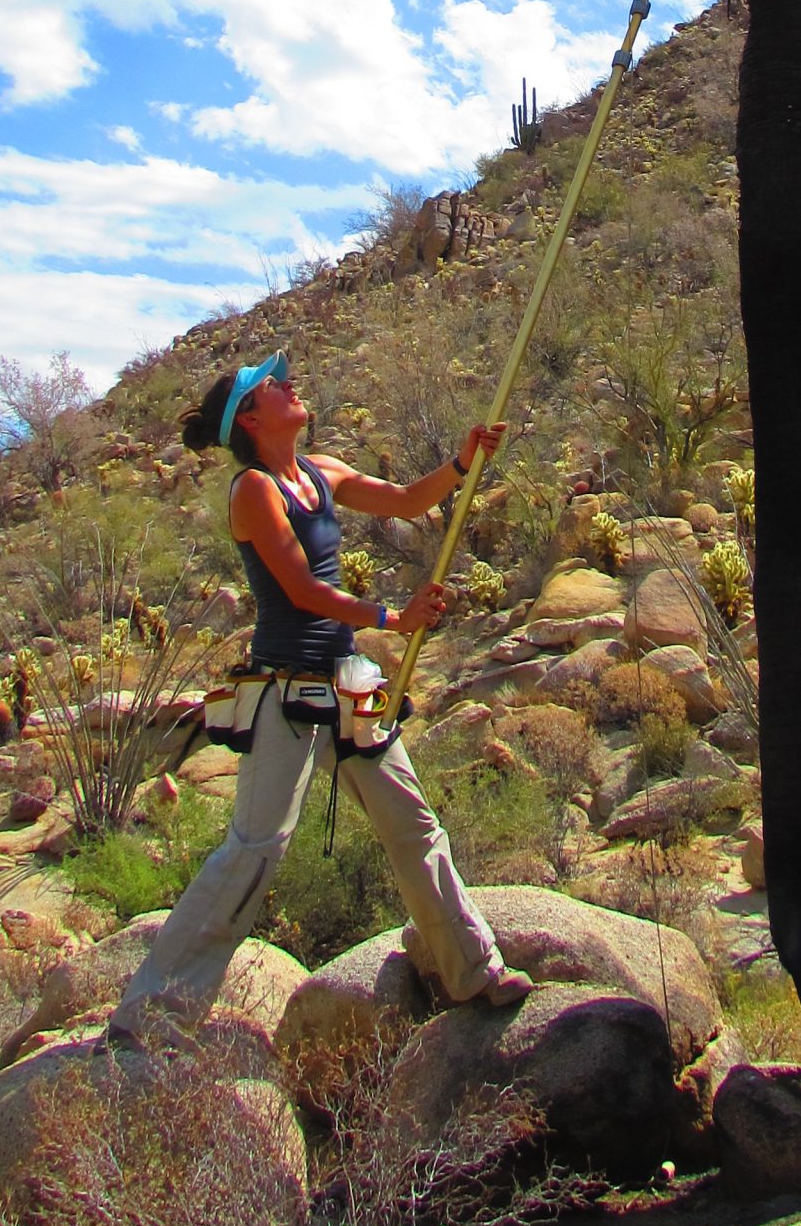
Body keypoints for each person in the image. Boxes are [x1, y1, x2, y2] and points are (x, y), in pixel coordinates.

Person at [108, 349, 532, 1040]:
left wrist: (460, 464)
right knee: (254, 848)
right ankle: (151, 1016)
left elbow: (403, 501)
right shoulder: (253, 491)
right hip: (286, 687)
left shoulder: (319, 471)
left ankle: (474, 971)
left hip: (346, 679)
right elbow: (302, 590)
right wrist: (393, 619)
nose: (290, 385)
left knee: (412, 825)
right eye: (274, 386)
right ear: (249, 416)